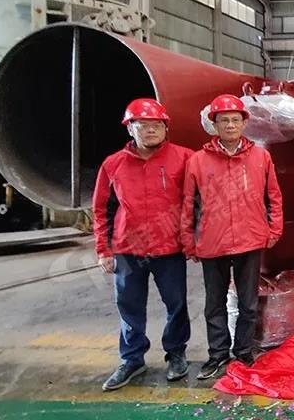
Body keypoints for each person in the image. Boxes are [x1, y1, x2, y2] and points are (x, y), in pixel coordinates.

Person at [92, 98, 193, 391]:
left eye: (157, 125)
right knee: (129, 306)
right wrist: (104, 249)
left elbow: (197, 201)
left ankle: (176, 353)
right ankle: (132, 358)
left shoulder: (184, 159)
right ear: (130, 129)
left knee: (176, 304)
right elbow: (101, 209)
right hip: (128, 249)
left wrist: (192, 239)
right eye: (143, 125)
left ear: (166, 128)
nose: (151, 130)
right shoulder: (113, 165)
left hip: (169, 248)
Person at [182, 93, 283, 380]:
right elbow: (188, 203)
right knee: (214, 304)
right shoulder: (198, 161)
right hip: (212, 243)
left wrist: (274, 228)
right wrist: (188, 241)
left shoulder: (261, 157)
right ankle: (217, 354)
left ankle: (244, 351)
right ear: (214, 125)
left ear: (244, 123)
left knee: (248, 303)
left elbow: (273, 196)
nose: (229, 125)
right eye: (223, 120)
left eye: (235, 120)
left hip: (249, 240)